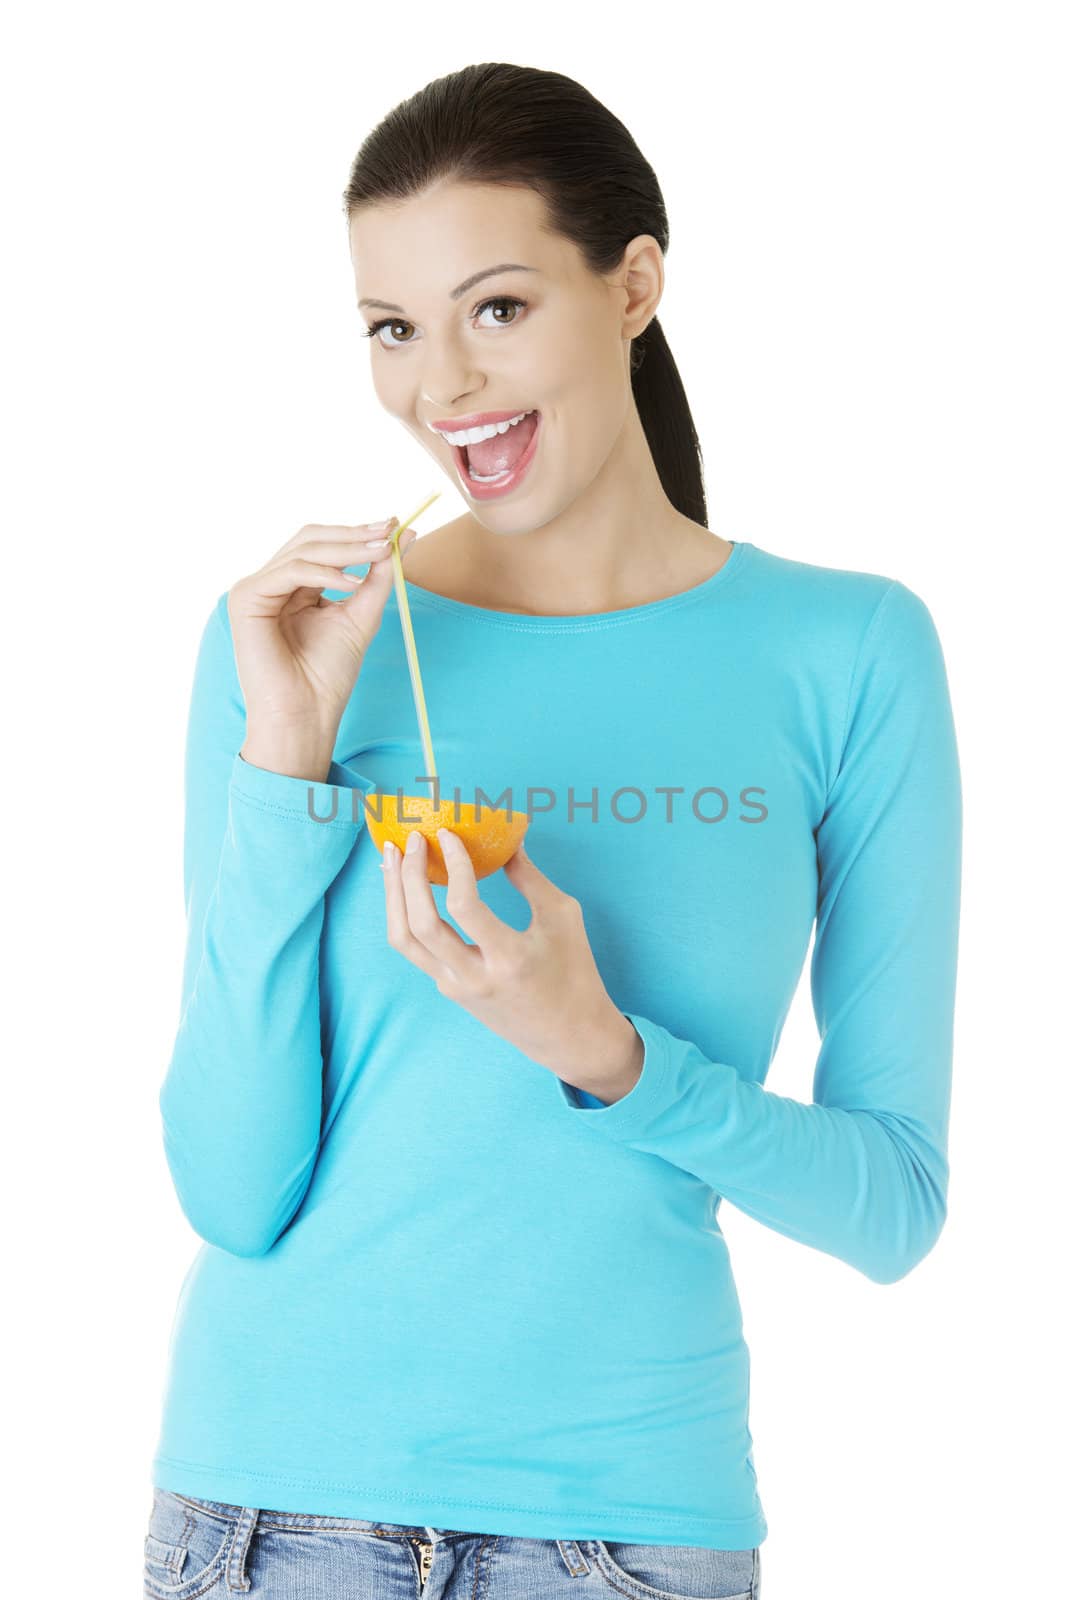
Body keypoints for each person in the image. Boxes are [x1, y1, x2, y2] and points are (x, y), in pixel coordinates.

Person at [143, 61, 961, 1600]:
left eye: (496, 308)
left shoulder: (846, 651)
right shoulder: (306, 647)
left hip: (628, 1533)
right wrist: (286, 767)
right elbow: (229, 1186)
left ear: (635, 283)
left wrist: (612, 1059)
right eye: (394, 329)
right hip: (269, 1514)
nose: (440, 385)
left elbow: (893, 1204)